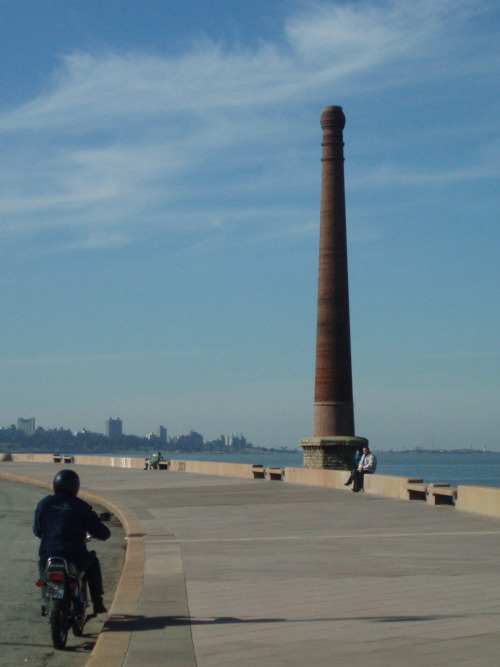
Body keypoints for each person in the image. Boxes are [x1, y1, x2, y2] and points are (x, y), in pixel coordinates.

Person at [33, 469, 111, 615]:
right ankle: (97, 602)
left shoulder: (44, 504)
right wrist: (105, 534)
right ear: (75, 486)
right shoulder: (80, 506)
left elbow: (37, 530)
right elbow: (99, 531)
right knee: (92, 562)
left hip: (48, 556)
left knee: (42, 566)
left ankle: (47, 596)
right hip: (74, 557)